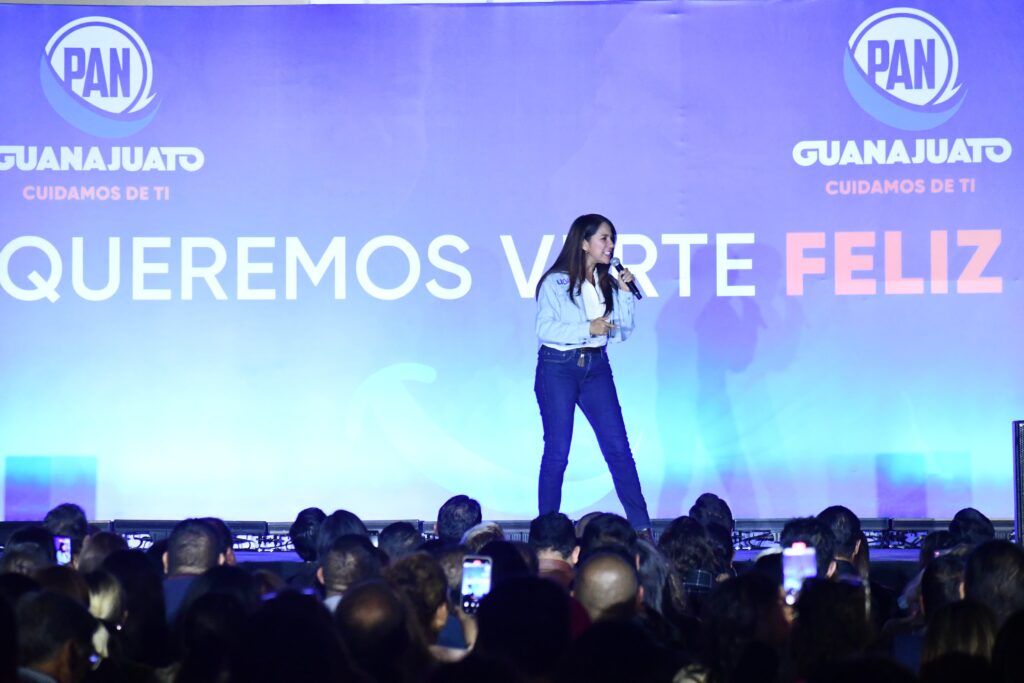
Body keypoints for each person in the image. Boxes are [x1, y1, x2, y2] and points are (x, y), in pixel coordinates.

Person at [534, 213, 651, 534]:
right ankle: (547, 534)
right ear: (584, 243)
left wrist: (624, 293)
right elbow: (545, 328)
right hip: (558, 367)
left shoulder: (606, 282)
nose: (610, 245)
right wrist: (588, 328)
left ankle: (642, 529)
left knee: (619, 449)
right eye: (604, 238)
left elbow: (621, 332)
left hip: (597, 367)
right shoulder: (555, 282)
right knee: (558, 451)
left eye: (612, 239)